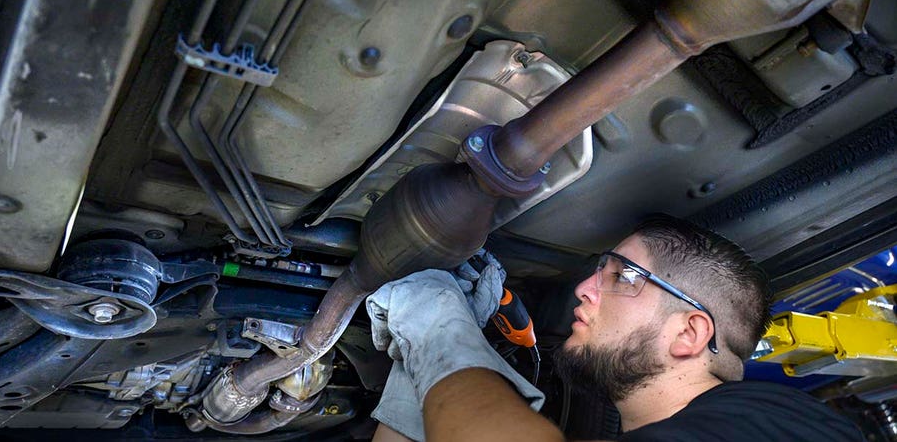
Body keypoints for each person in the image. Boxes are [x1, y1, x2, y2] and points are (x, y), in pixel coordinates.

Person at [367, 214, 863, 441]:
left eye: (623, 276)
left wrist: (439, 334)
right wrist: (419, 365)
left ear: (689, 334)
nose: (584, 288)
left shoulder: (774, 424)